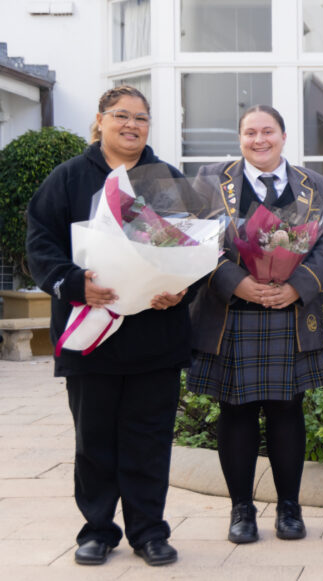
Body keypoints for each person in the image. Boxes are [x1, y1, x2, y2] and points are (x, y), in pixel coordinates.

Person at [25, 86, 185, 567]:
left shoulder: (166, 179)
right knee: (93, 440)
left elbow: (195, 244)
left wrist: (180, 288)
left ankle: (149, 531)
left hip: (154, 334)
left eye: (141, 118)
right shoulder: (67, 178)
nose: (131, 125)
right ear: (101, 121)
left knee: (149, 440)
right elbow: (40, 245)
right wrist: (74, 284)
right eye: (121, 116)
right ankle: (97, 529)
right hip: (90, 332)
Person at [187, 105, 323, 544]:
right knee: (235, 412)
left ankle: (290, 508)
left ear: (283, 135)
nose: (260, 140)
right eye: (250, 132)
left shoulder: (315, 185)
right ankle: (241, 510)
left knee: (287, 410)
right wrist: (236, 283)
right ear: (239, 138)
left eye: (268, 131)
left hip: (290, 313)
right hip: (232, 314)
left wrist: (298, 286)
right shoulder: (211, 180)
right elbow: (194, 238)